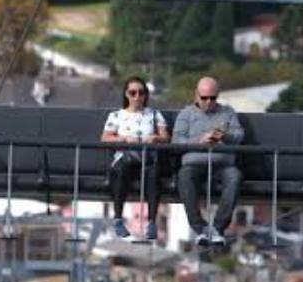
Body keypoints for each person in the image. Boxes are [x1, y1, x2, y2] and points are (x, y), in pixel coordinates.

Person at [172, 76, 245, 246]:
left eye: (213, 98)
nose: (208, 102)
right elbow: (176, 142)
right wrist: (199, 140)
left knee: (235, 177)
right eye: (204, 98)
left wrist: (225, 136)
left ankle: (218, 228)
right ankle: (200, 228)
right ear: (196, 95)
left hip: (223, 164)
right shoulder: (186, 114)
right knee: (184, 176)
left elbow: (239, 136)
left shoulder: (228, 112)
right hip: (194, 164)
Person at [102, 75, 169, 240]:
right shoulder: (116, 115)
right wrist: (123, 139)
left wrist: (155, 138)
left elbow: (165, 137)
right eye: (133, 93)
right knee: (121, 170)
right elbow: (105, 138)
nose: (137, 97)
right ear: (126, 94)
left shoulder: (154, 114)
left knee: (153, 174)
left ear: (145, 95)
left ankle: (152, 222)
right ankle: (118, 219)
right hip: (126, 157)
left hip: (147, 157)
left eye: (141, 93)